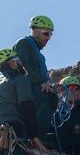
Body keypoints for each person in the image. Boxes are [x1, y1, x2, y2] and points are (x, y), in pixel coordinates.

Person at [13, 15, 57, 147]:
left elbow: (43, 75)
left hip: (38, 87)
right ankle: (36, 136)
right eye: (46, 34)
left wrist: (50, 84)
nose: (48, 38)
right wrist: (41, 82)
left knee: (51, 99)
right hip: (27, 89)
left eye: (50, 35)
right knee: (47, 100)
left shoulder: (39, 54)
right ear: (35, 31)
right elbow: (22, 66)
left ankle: (41, 135)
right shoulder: (24, 44)